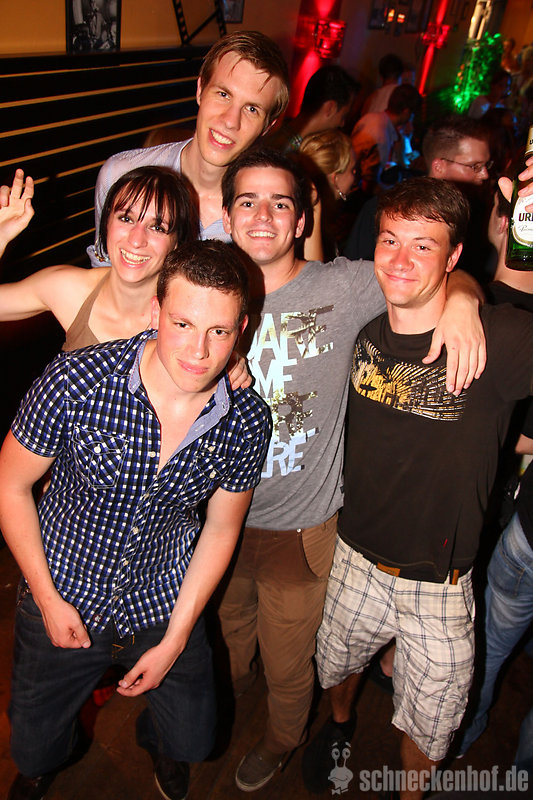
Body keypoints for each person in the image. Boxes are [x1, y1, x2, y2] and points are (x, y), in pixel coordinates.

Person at [217, 147, 486, 792]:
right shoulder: (205, 286)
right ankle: (228, 699)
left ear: (302, 217)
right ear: (226, 217)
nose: (263, 216)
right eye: (247, 202)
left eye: (280, 202)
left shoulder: (343, 285)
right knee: (228, 637)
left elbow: (428, 272)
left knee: (292, 665)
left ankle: (282, 740)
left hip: (301, 529)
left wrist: (464, 302)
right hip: (214, 519)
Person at [0, 238, 271, 800]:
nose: (198, 351)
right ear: (155, 312)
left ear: (241, 329)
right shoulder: (77, 381)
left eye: (219, 331)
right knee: (33, 747)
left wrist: (176, 639)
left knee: (194, 739)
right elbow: (11, 485)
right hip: (64, 592)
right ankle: (48, 760)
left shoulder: (247, 420)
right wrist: (47, 599)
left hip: (161, 603)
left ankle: (158, 740)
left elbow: (222, 528)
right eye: (182, 324)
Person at [302, 176, 533, 799]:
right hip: (355, 554)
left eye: (423, 245)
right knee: (336, 666)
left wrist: (471, 299)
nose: (400, 259)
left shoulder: (497, 339)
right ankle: (342, 724)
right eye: (389, 239)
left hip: (441, 584)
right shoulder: (361, 327)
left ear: (454, 256)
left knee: (432, 729)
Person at [88, 31, 290, 266]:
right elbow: (104, 275)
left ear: (267, 126)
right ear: (200, 90)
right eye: (223, 94)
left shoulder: (265, 220)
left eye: (252, 109)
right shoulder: (121, 175)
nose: (230, 121)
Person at [265, 64, 359, 153]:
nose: (342, 124)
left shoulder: (277, 133)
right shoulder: (292, 152)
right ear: (330, 108)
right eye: (343, 116)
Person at [350, 83, 422, 194]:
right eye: (412, 114)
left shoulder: (370, 117)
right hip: (352, 190)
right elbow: (369, 183)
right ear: (406, 112)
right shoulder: (382, 136)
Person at [299, 129, 357, 259]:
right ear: (335, 178)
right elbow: (315, 269)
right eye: (353, 170)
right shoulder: (314, 223)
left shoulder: (329, 220)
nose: (355, 178)